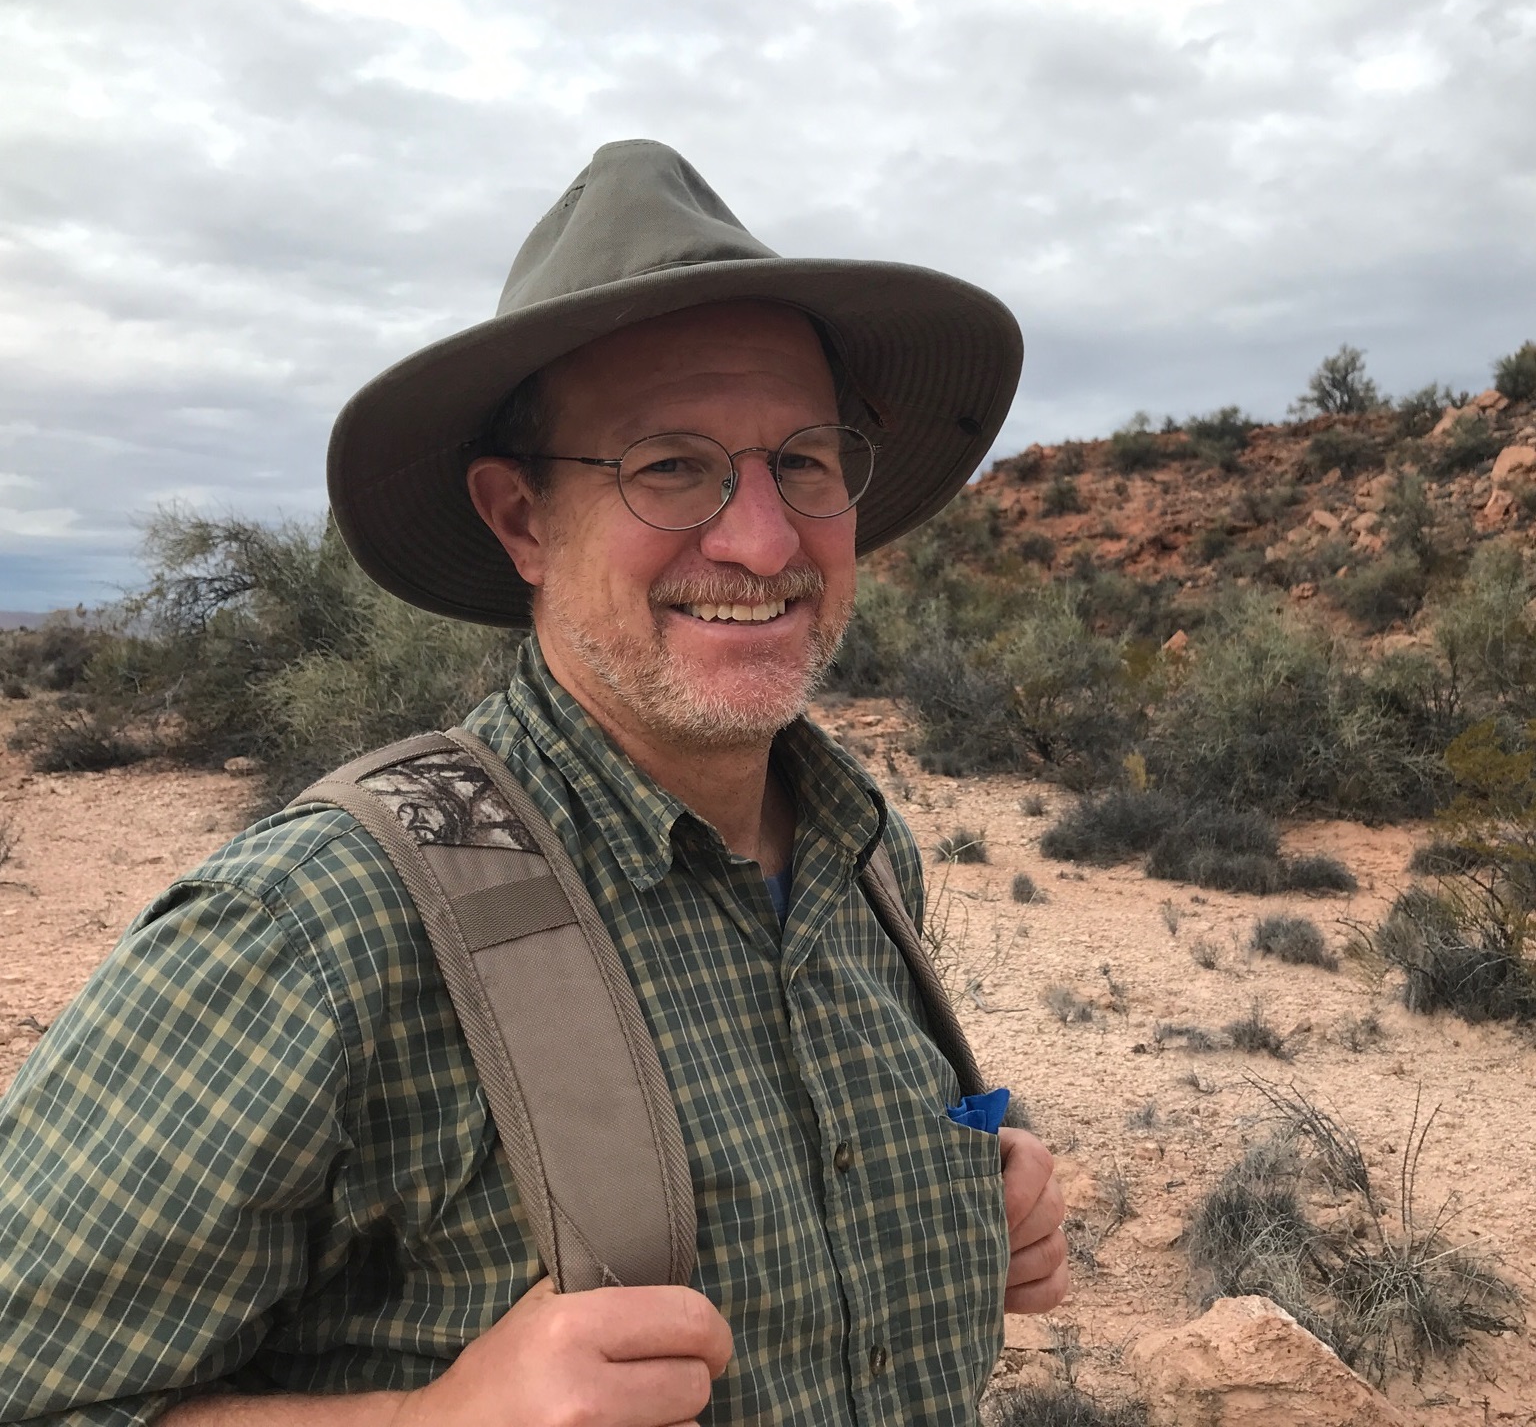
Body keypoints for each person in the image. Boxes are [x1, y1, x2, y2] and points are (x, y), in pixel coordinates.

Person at [0, 140, 1067, 1427]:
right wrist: (419, 1423)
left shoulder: (865, 855)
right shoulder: (318, 927)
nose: (766, 538)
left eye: (807, 460)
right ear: (520, 520)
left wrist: (957, 1190)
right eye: (669, 463)